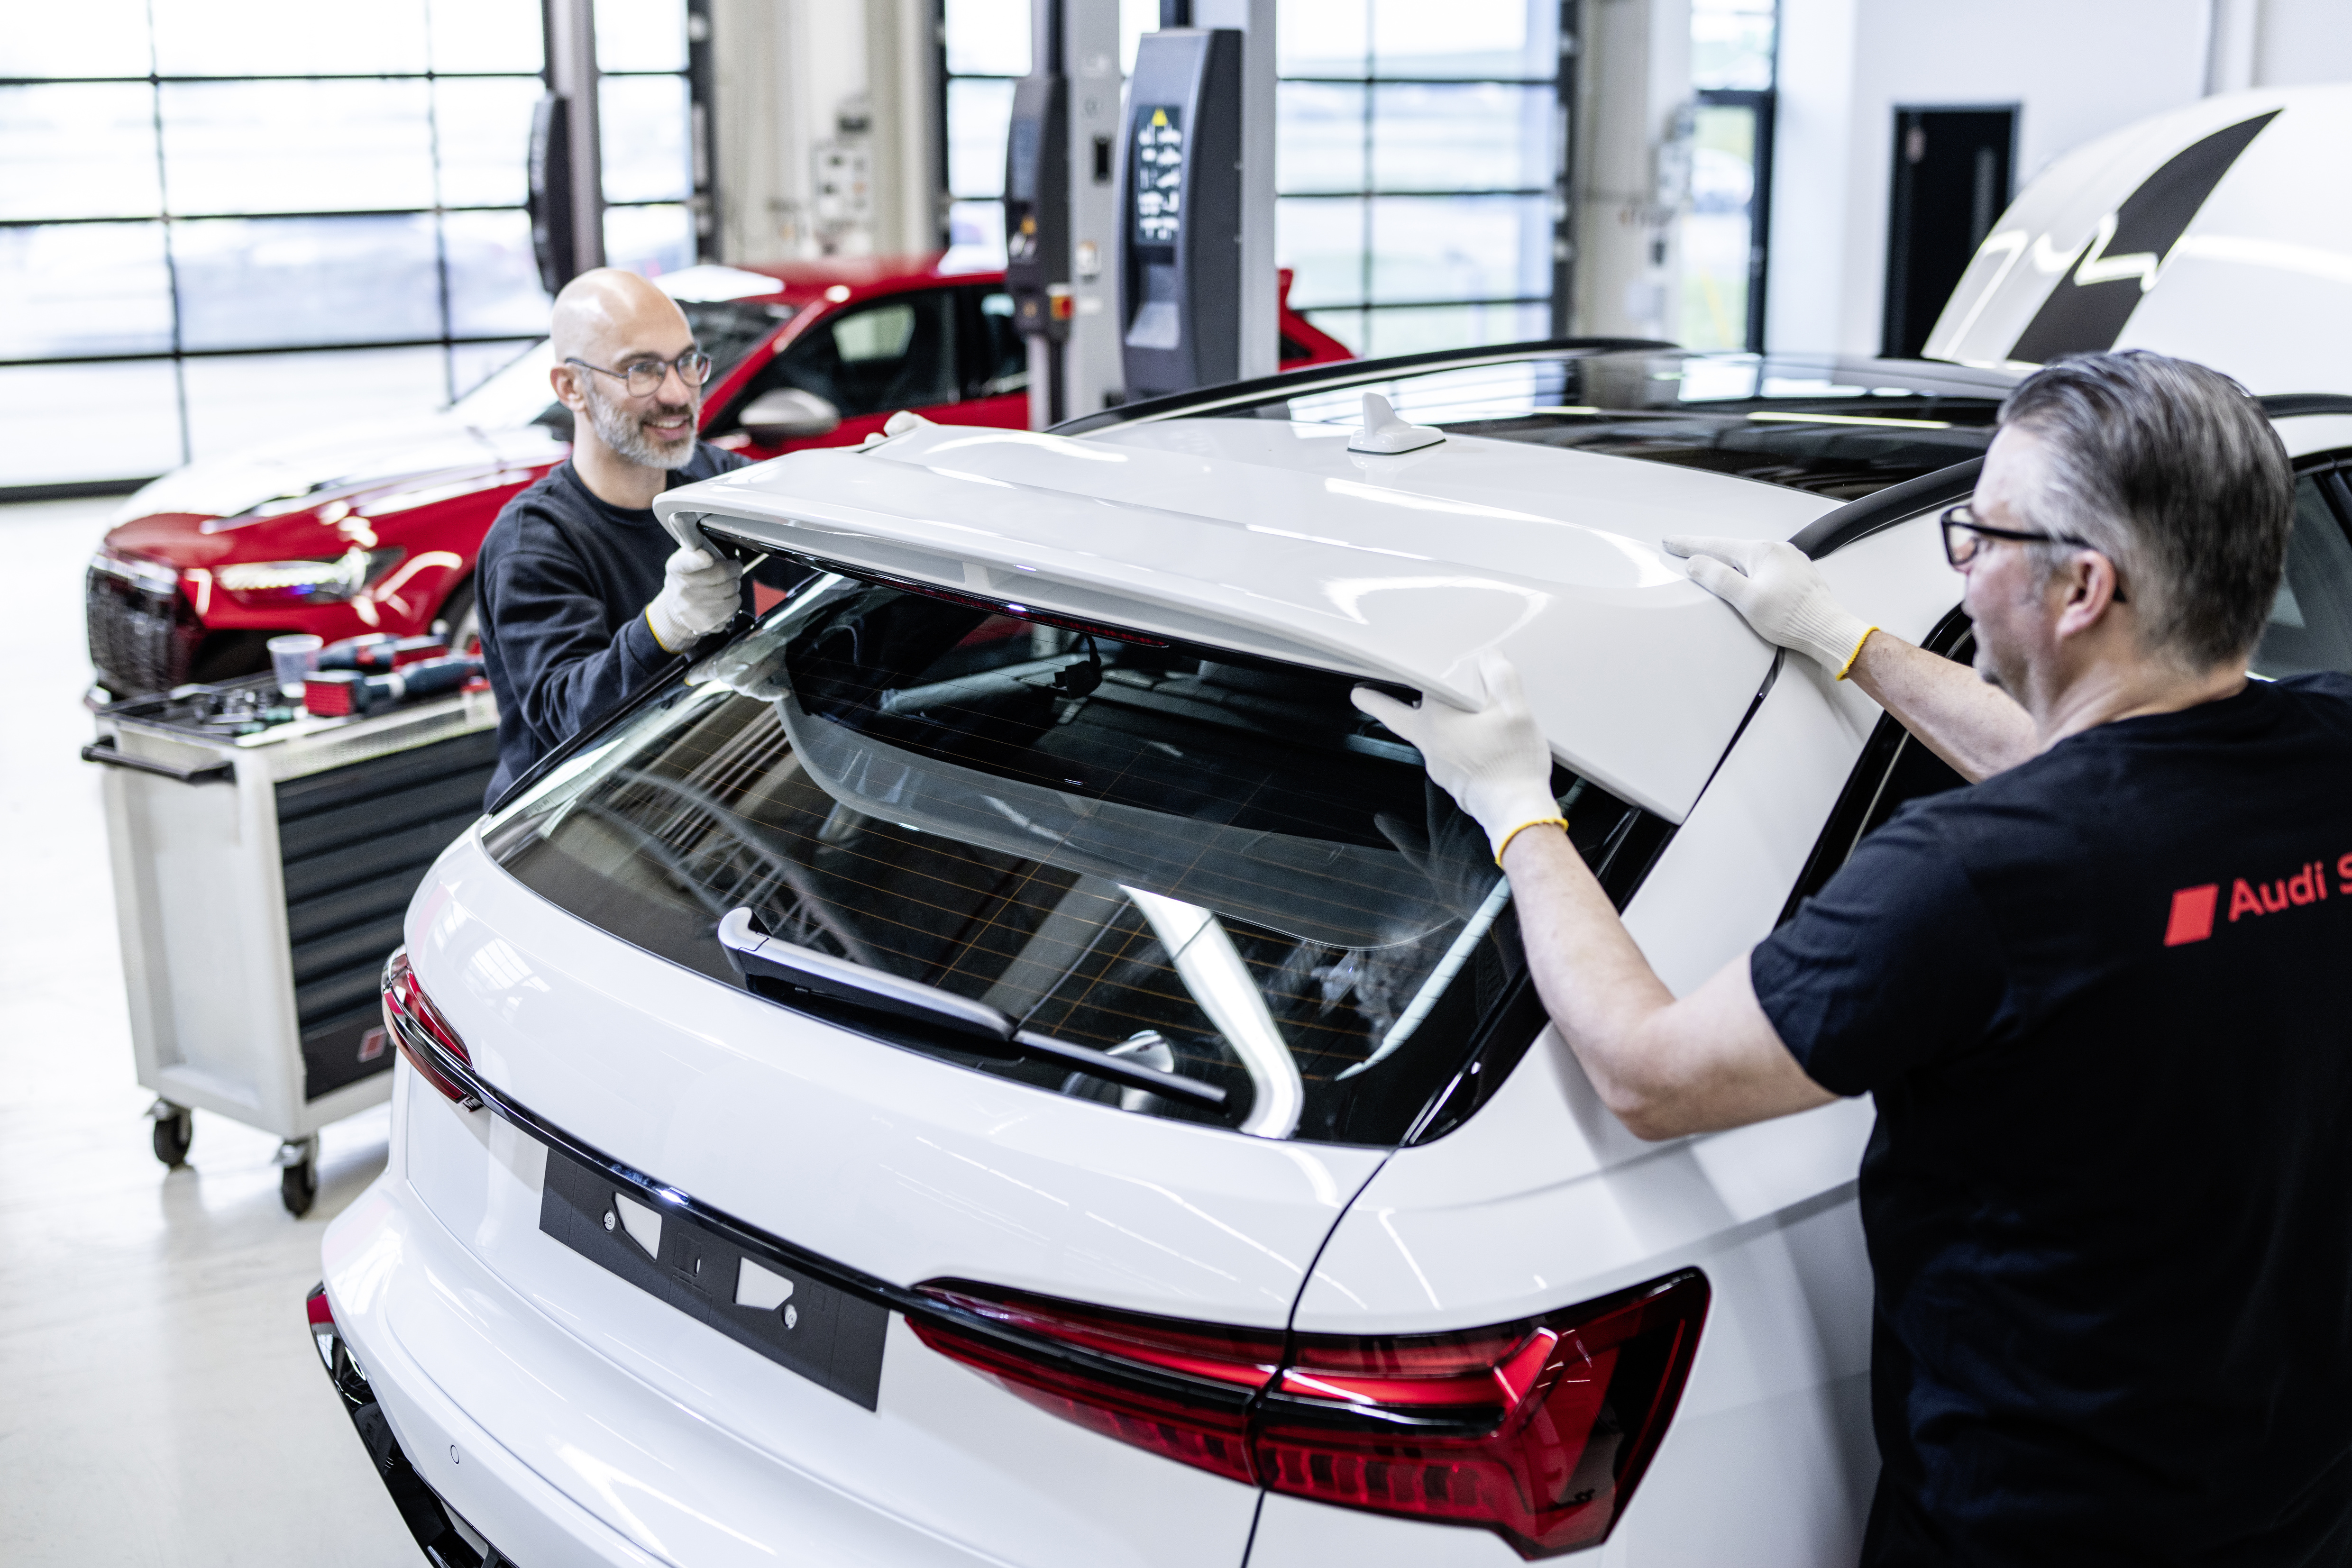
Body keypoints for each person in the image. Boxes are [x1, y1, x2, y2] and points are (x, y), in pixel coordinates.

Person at [1352, 351, 2352, 1565]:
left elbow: (1645, 1070)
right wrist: (1841, 640)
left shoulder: (1974, 877)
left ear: (2081, 587)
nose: (1962, 563)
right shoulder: (2326, 745)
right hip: (2298, 1504)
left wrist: (1517, 809)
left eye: (1979, 534)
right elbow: (2107, 779)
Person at [475, 268, 794, 807]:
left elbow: (814, 552)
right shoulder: (534, 542)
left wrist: (892, 476)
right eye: (641, 370)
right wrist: (665, 626)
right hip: (573, 824)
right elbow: (566, 718)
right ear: (571, 387)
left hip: (697, 791)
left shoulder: (714, 481)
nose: (677, 393)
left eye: (688, 363)